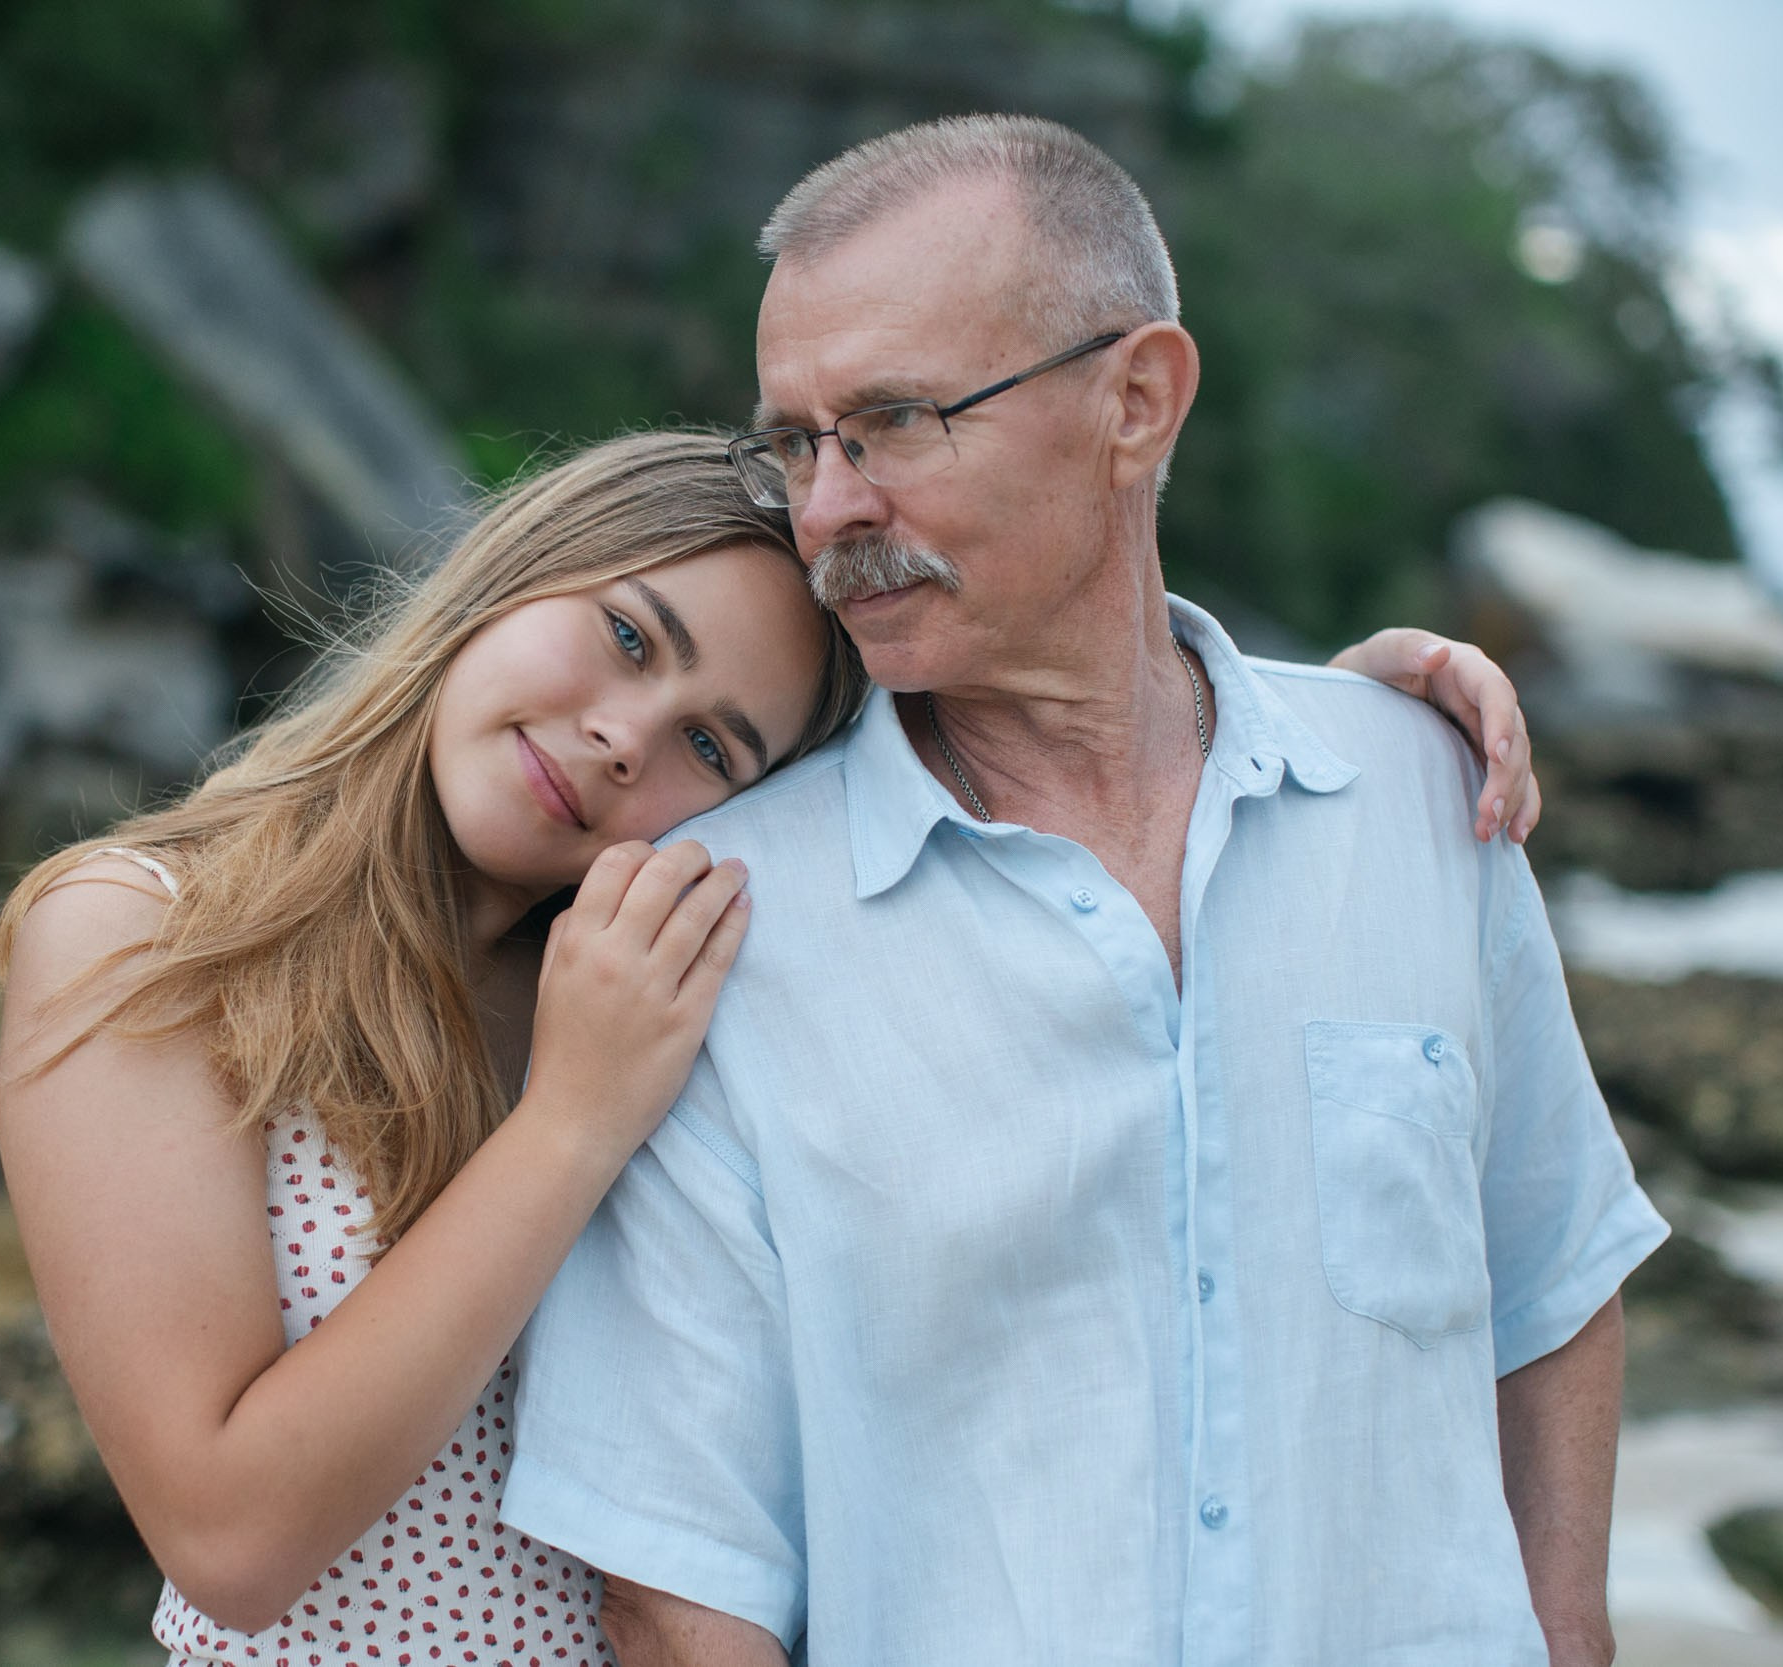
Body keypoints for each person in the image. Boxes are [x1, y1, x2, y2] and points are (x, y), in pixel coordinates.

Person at [0, 443, 1536, 1665]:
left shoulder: (672, 981)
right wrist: (574, 1121)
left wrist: (1330, 722)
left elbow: (1065, 1011)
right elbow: (232, 1538)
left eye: (715, 747)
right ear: (509, 571)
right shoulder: (148, 941)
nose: (623, 738)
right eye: (623, 637)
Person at [499, 119, 1664, 1667]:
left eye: (897, 422)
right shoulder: (713, 927)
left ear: (1137, 400)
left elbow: (1552, 1278)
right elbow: (675, 1584)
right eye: (797, 441)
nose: (832, 508)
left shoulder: (1425, 791)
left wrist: (1567, 1632)